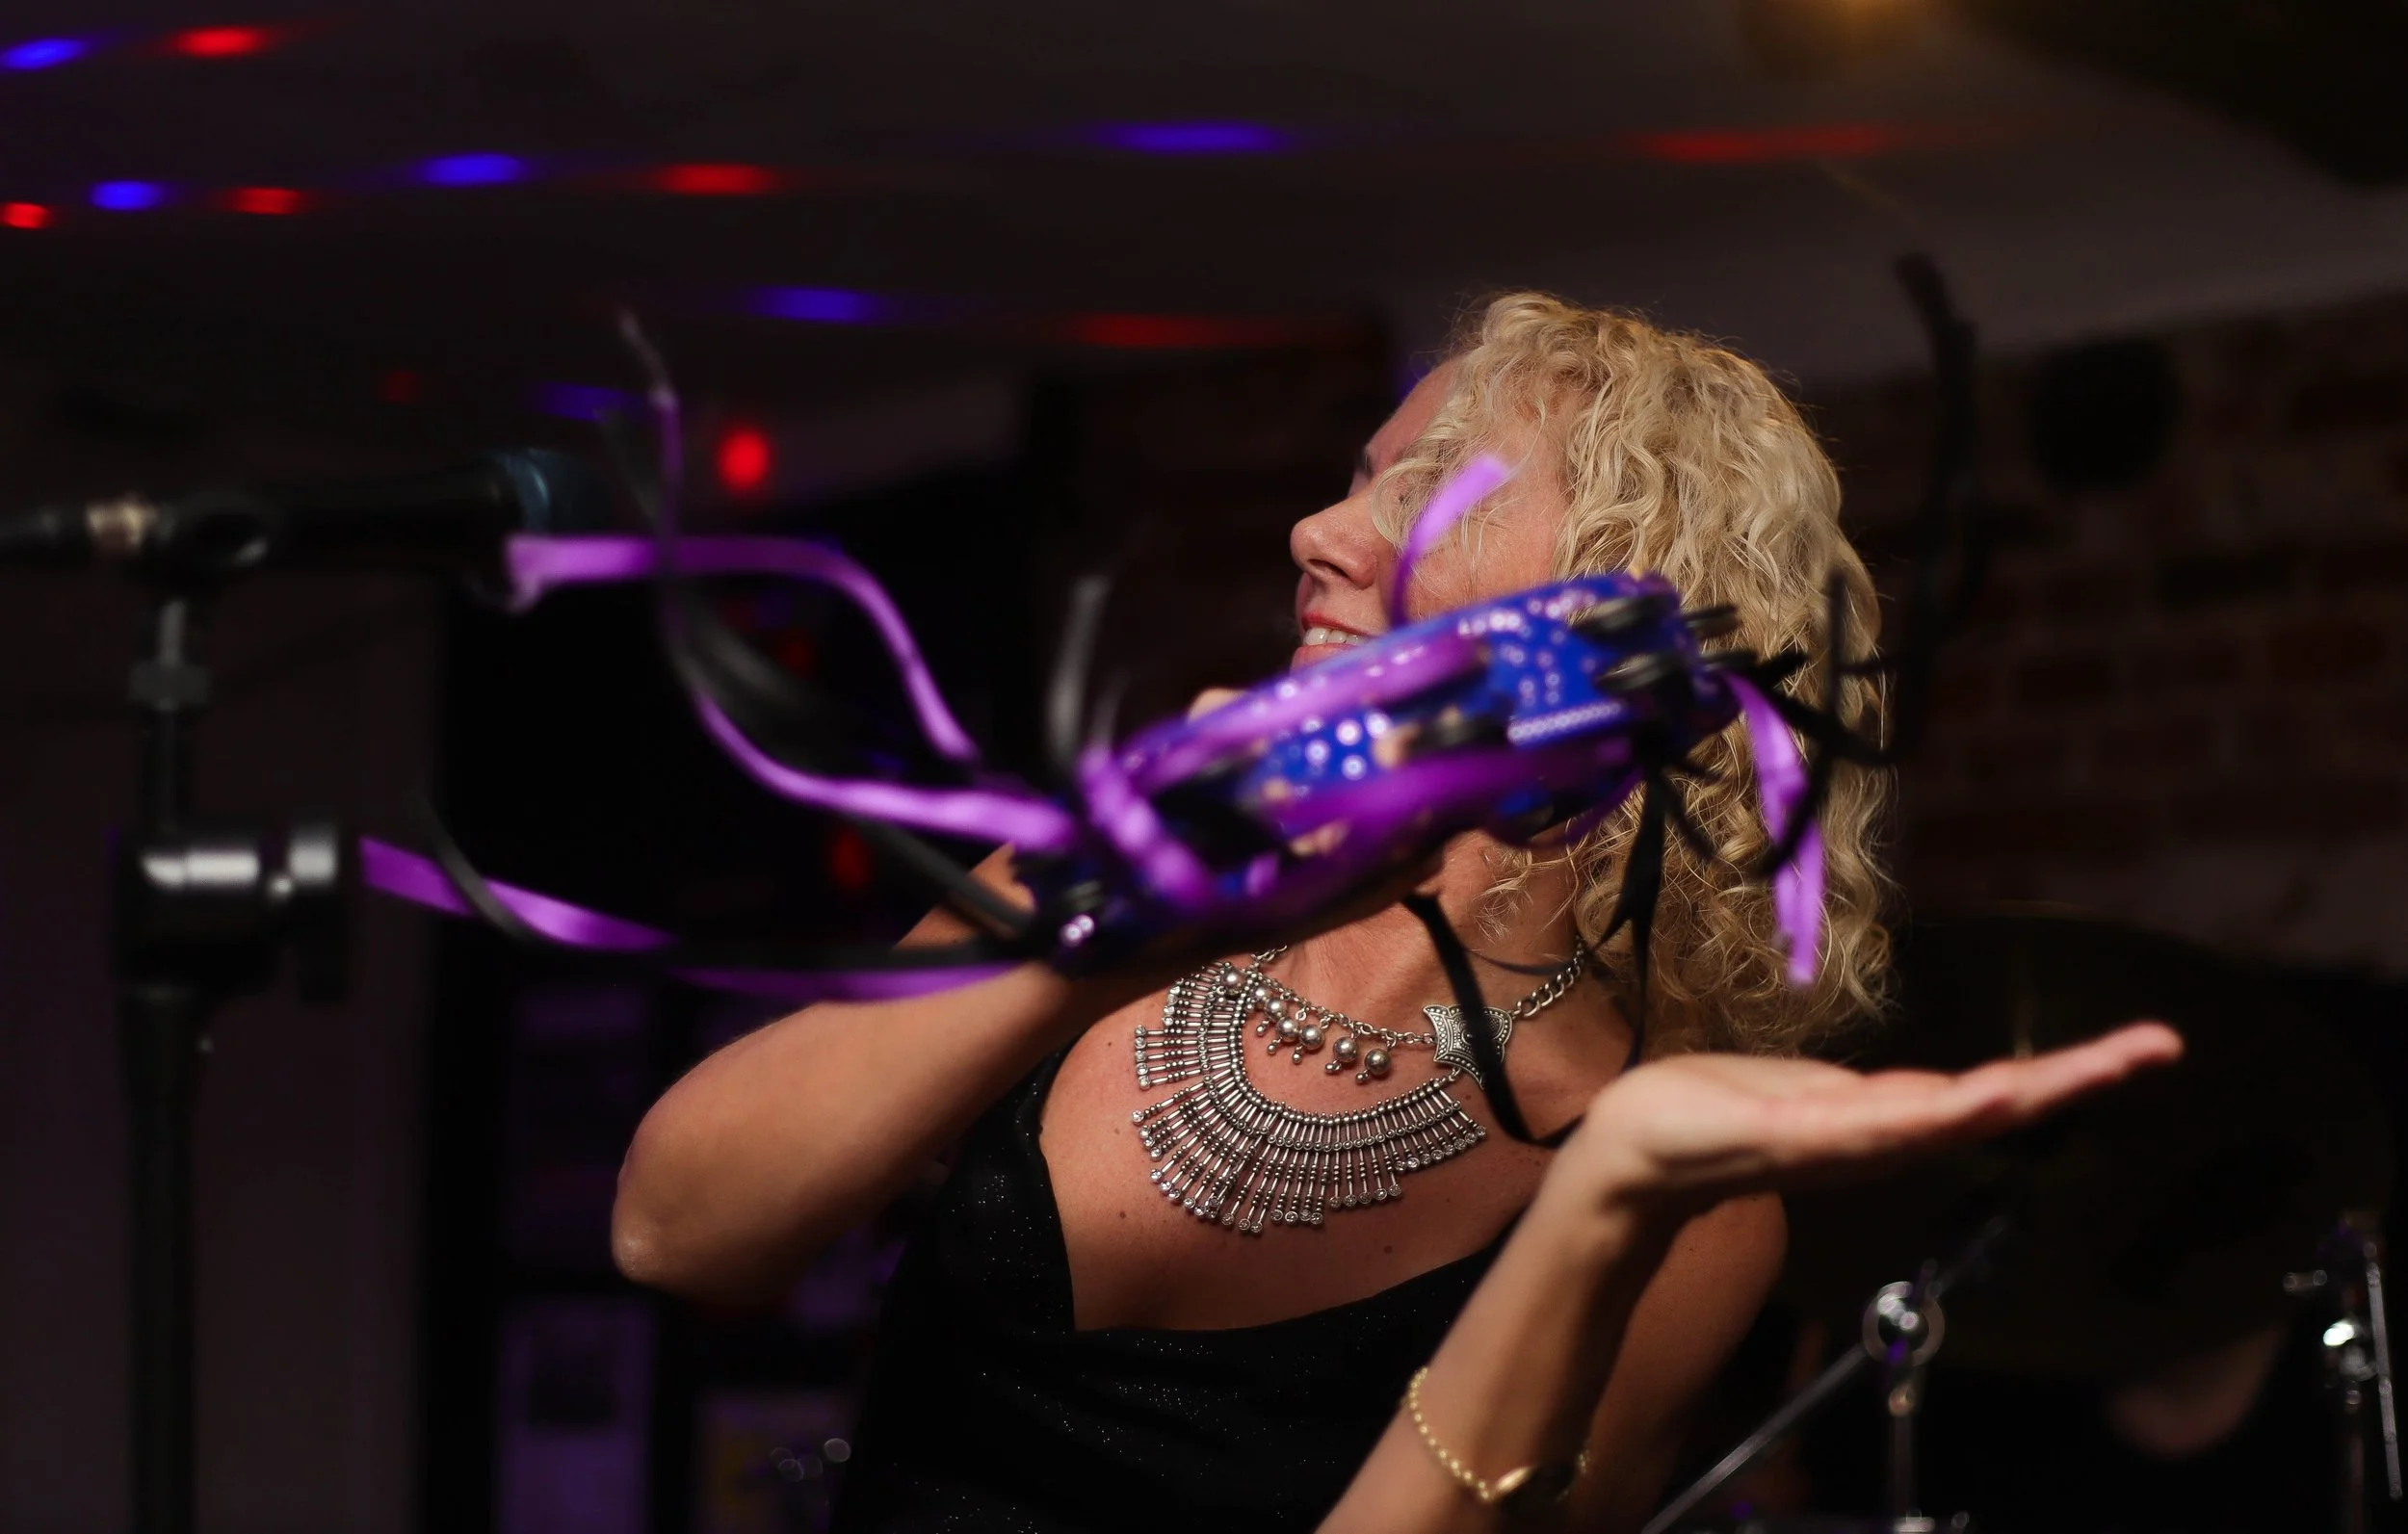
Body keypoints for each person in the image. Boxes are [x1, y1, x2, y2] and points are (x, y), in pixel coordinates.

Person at [610, 294, 2179, 1533]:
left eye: (1432, 494)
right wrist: (1112, 932)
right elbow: (680, 1234)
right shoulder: (1097, 881)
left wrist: (1605, 1200)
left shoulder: (1687, 1202)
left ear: (1608, 615)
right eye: (1364, 478)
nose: (1322, 530)